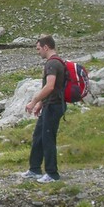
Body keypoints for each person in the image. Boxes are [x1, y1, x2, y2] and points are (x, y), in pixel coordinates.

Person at [22, 35, 66, 183]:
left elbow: (50, 86)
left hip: (54, 106)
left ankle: (52, 174)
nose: (38, 52)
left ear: (46, 47)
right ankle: (34, 169)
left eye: (38, 48)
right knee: (39, 136)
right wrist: (41, 104)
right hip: (50, 104)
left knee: (48, 138)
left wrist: (34, 101)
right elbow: (53, 89)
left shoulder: (52, 64)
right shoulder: (56, 62)